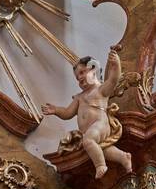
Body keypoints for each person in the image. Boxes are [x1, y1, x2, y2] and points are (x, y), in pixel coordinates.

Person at [43, 50, 133, 179]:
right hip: (90, 131)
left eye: (82, 72)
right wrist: (56, 110)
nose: (79, 77)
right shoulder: (79, 97)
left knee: (89, 141)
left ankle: (100, 165)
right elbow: (68, 113)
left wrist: (116, 64)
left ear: (93, 70)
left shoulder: (100, 90)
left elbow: (113, 80)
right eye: (77, 77)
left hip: (100, 124)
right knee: (101, 149)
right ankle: (123, 157)